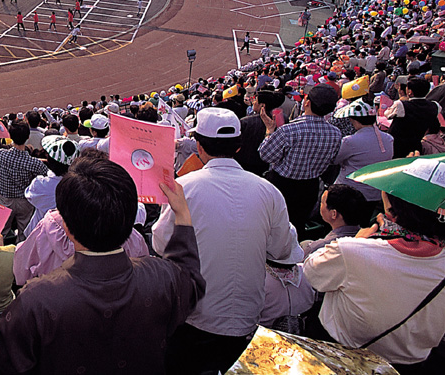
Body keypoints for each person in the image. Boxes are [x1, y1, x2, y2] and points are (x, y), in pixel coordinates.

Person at [0, 154, 205, 375]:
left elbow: (5, 364)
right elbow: (190, 280)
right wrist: (182, 214)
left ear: (65, 225)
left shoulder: (35, 301)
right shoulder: (162, 277)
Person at [153, 108, 295, 375]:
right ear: (238, 147)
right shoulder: (269, 191)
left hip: (195, 317)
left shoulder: (185, 186)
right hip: (247, 317)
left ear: (199, 146)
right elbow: (282, 250)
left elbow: (162, 244)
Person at [304, 162, 445, 373]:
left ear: (391, 211)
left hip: (339, 354)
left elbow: (311, 272)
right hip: (409, 366)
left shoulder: (351, 251)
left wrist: (358, 241)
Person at [259, 84, 342, 237]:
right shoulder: (335, 133)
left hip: (282, 184)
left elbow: (266, 155)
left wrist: (269, 132)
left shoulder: (289, 130)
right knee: (297, 225)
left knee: (274, 225)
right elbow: (331, 159)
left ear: (307, 102)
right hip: (309, 187)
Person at [0, 121, 48, 242]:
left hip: (4, 199)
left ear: (10, 136)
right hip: (24, 201)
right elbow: (45, 174)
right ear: (28, 137)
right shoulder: (34, 163)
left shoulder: (1, 154)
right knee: (25, 234)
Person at [301, 184, 368, 257]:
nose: (320, 205)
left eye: (322, 202)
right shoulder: (368, 240)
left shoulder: (319, 248)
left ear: (334, 214)